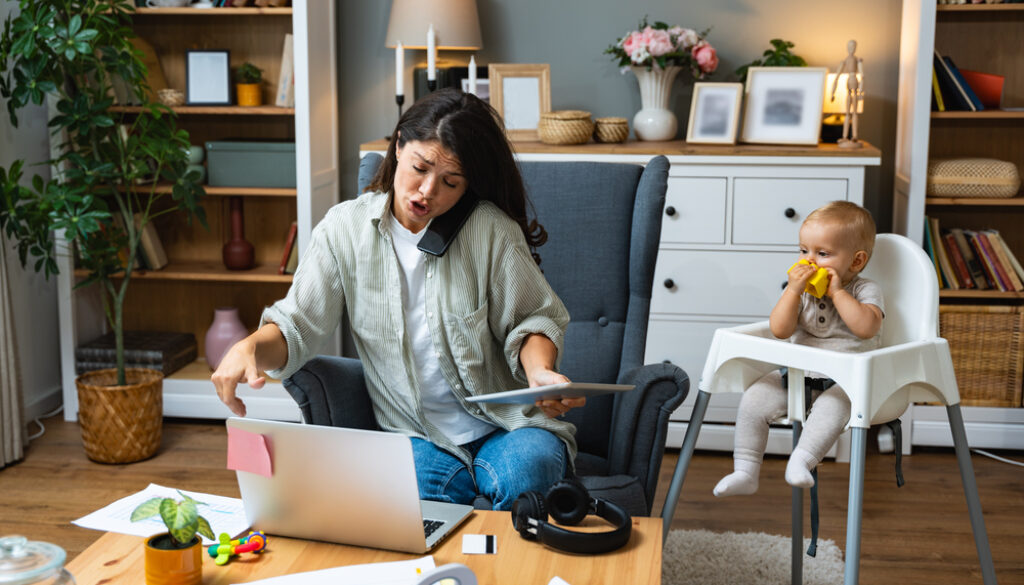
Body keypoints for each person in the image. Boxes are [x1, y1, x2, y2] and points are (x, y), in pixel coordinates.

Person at [211, 88, 584, 511]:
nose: (427, 191)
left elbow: (532, 319)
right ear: (399, 144)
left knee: (529, 474)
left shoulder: (490, 231)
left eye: (451, 182)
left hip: (507, 426)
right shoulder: (344, 230)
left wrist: (539, 372)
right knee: (417, 503)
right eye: (419, 168)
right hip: (414, 435)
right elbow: (298, 324)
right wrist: (249, 347)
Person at [714, 200, 884, 496]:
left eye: (822, 253)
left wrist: (838, 292)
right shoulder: (801, 292)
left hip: (842, 382)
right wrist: (792, 290)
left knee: (834, 407)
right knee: (754, 397)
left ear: (856, 262)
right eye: (803, 250)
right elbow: (780, 330)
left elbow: (866, 327)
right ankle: (745, 468)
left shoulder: (864, 290)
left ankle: (802, 460)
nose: (809, 261)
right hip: (796, 375)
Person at [831, 39, 864, 147]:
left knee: (854, 112)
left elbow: (862, 76)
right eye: (850, 46)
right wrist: (832, 92)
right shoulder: (844, 61)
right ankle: (845, 136)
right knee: (847, 113)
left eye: (853, 46)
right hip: (848, 86)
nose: (851, 48)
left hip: (855, 85)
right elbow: (836, 77)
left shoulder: (858, 60)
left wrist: (860, 92)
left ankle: (854, 136)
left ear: (856, 48)